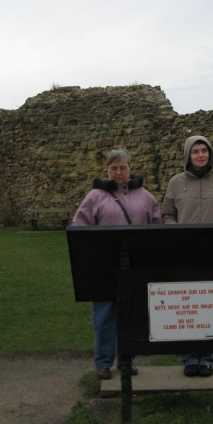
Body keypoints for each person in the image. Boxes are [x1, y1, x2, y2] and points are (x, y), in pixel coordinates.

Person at [72, 148, 162, 379]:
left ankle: (127, 359)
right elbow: (80, 227)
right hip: (104, 267)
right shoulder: (94, 197)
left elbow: (157, 228)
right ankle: (103, 362)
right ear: (107, 171)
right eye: (114, 168)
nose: (118, 173)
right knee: (104, 316)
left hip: (135, 267)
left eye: (123, 168)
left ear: (129, 170)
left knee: (131, 315)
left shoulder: (145, 197)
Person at [162, 134, 213, 377]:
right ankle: (189, 357)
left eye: (204, 150)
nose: (200, 155)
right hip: (184, 253)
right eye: (195, 151)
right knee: (187, 305)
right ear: (188, 155)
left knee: (211, 305)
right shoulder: (175, 183)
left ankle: (208, 357)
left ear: (210, 153)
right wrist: (177, 234)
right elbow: (167, 215)